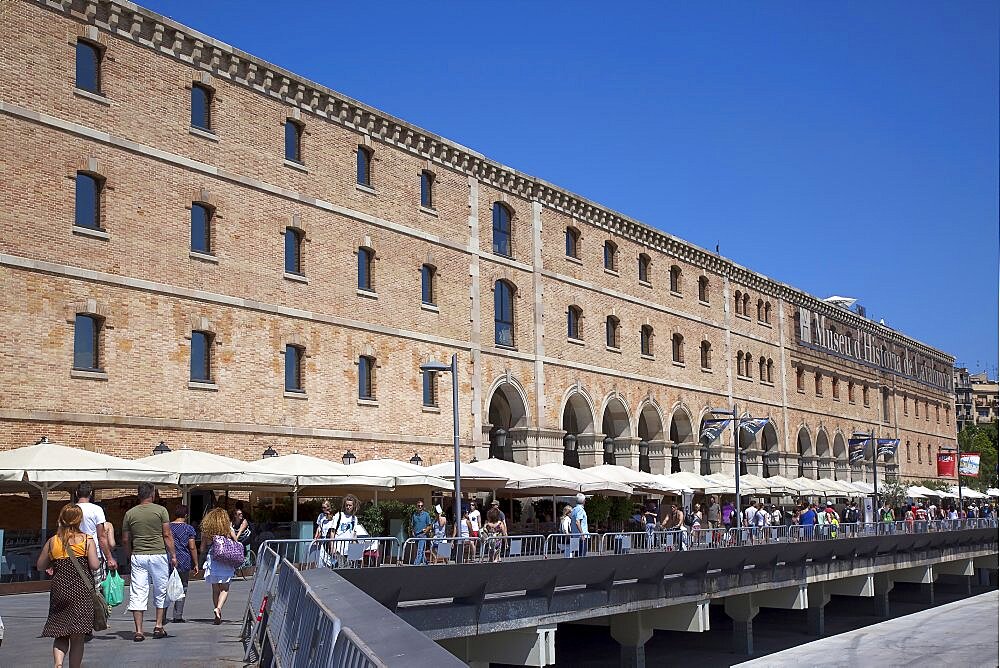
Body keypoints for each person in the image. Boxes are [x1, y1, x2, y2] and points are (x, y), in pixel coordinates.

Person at [37, 504, 101, 668]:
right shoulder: (87, 540)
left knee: (60, 632)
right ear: (79, 520)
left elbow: (40, 565)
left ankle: (58, 664)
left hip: (60, 589)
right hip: (81, 591)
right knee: (77, 636)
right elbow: (94, 565)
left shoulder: (53, 541)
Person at [122, 483, 177, 641]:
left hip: (138, 555)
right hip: (158, 554)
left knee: (138, 591)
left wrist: (129, 555)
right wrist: (173, 555)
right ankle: (158, 625)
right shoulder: (161, 511)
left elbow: (126, 539)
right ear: (152, 494)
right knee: (160, 589)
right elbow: (166, 534)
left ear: (138, 495)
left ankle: (139, 630)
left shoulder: (130, 513)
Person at [200, 507, 239, 624]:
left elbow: (202, 548)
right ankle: (218, 608)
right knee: (225, 589)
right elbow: (236, 542)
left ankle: (217, 616)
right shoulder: (228, 529)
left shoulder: (207, 532)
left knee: (215, 589)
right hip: (225, 561)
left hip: (213, 560)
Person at [73, 482, 117, 584]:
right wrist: (109, 558)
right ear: (91, 493)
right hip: (94, 553)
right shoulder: (97, 510)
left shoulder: (70, 510)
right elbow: (101, 536)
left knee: (79, 586)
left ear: (76, 493)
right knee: (97, 588)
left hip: (74, 553)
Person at [168, 505, 198, 623]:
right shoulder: (188, 529)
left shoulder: (167, 527)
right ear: (186, 515)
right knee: (183, 587)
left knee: (165, 586)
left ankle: (162, 613)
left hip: (168, 559)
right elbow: (192, 546)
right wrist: (196, 563)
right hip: (184, 560)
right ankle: (177, 615)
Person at [324, 495, 362, 568]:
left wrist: (354, 549)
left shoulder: (354, 518)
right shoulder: (339, 515)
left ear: (353, 506)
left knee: (348, 569)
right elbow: (332, 531)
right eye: (346, 505)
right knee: (339, 569)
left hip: (348, 549)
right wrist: (332, 546)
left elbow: (354, 534)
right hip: (338, 548)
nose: (348, 507)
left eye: (350, 505)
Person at [410, 500, 432, 565]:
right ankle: (425, 562)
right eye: (419, 506)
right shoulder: (414, 515)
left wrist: (426, 530)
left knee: (420, 550)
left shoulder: (426, 514)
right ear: (416, 506)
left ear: (423, 507)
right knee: (420, 550)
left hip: (423, 535)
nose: (420, 507)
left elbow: (430, 525)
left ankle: (416, 564)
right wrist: (412, 532)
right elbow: (412, 525)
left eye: (421, 506)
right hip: (416, 535)